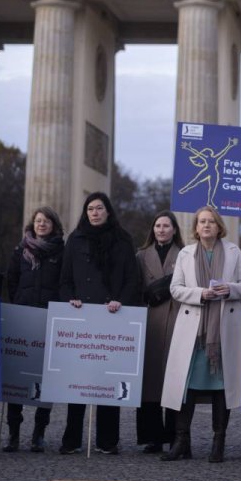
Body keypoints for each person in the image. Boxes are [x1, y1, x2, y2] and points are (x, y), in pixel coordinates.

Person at [161, 206, 241, 463]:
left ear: (219, 225)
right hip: (194, 330)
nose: (206, 225)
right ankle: (182, 442)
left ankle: (218, 442)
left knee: (221, 387)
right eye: (202, 221)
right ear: (196, 227)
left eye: (211, 221)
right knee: (185, 385)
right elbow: (175, 289)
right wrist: (200, 294)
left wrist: (229, 289)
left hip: (223, 329)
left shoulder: (234, 251)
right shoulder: (186, 254)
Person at [58, 192, 139, 455]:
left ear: (108, 211)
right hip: (81, 315)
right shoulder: (75, 238)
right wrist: (70, 299)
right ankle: (71, 439)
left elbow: (131, 279)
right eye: (90, 208)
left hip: (112, 314)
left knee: (108, 381)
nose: (94, 212)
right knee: (77, 381)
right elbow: (65, 277)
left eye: (99, 208)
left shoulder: (123, 240)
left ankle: (107, 441)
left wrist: (120, 302)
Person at [4, 207, 65, 452]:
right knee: (16, 378)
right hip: (23, 316)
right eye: (38, 221)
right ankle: (13, 433)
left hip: (49, 317)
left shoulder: (62, 251)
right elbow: (11, 279)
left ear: (53, 225)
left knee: (45, 380)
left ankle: (39, 432)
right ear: (33, 223)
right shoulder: (20, 249)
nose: (41, 224)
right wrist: (18, 303)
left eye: (46, 221)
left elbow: (63, 281)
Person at [136, 210, 183, 453]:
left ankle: (176, 435)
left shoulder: (186, 255)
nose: (161, 230)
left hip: (177, 320)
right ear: (152, 229)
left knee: (174, 380)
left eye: (166, 226)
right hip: (150, 320)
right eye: (157, 226)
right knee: (150, 380)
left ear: (174, 230)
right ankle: (152, 437)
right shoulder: (141, 256)